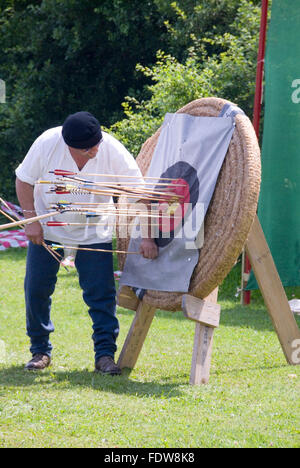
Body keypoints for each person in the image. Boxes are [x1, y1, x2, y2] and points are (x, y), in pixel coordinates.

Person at [15, 111, 158, 375]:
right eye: (88, 148)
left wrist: (148, 236)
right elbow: (24, 181)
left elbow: (140, 194)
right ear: (70, 145)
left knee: (101, 293)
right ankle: (40, 350)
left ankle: (104, 355)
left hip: (95, 231)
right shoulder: (48, 143)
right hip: (48, 229)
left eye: (97, 144)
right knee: (36, 288)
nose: (95, 150)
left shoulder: (111, 149)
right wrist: (31, 221)